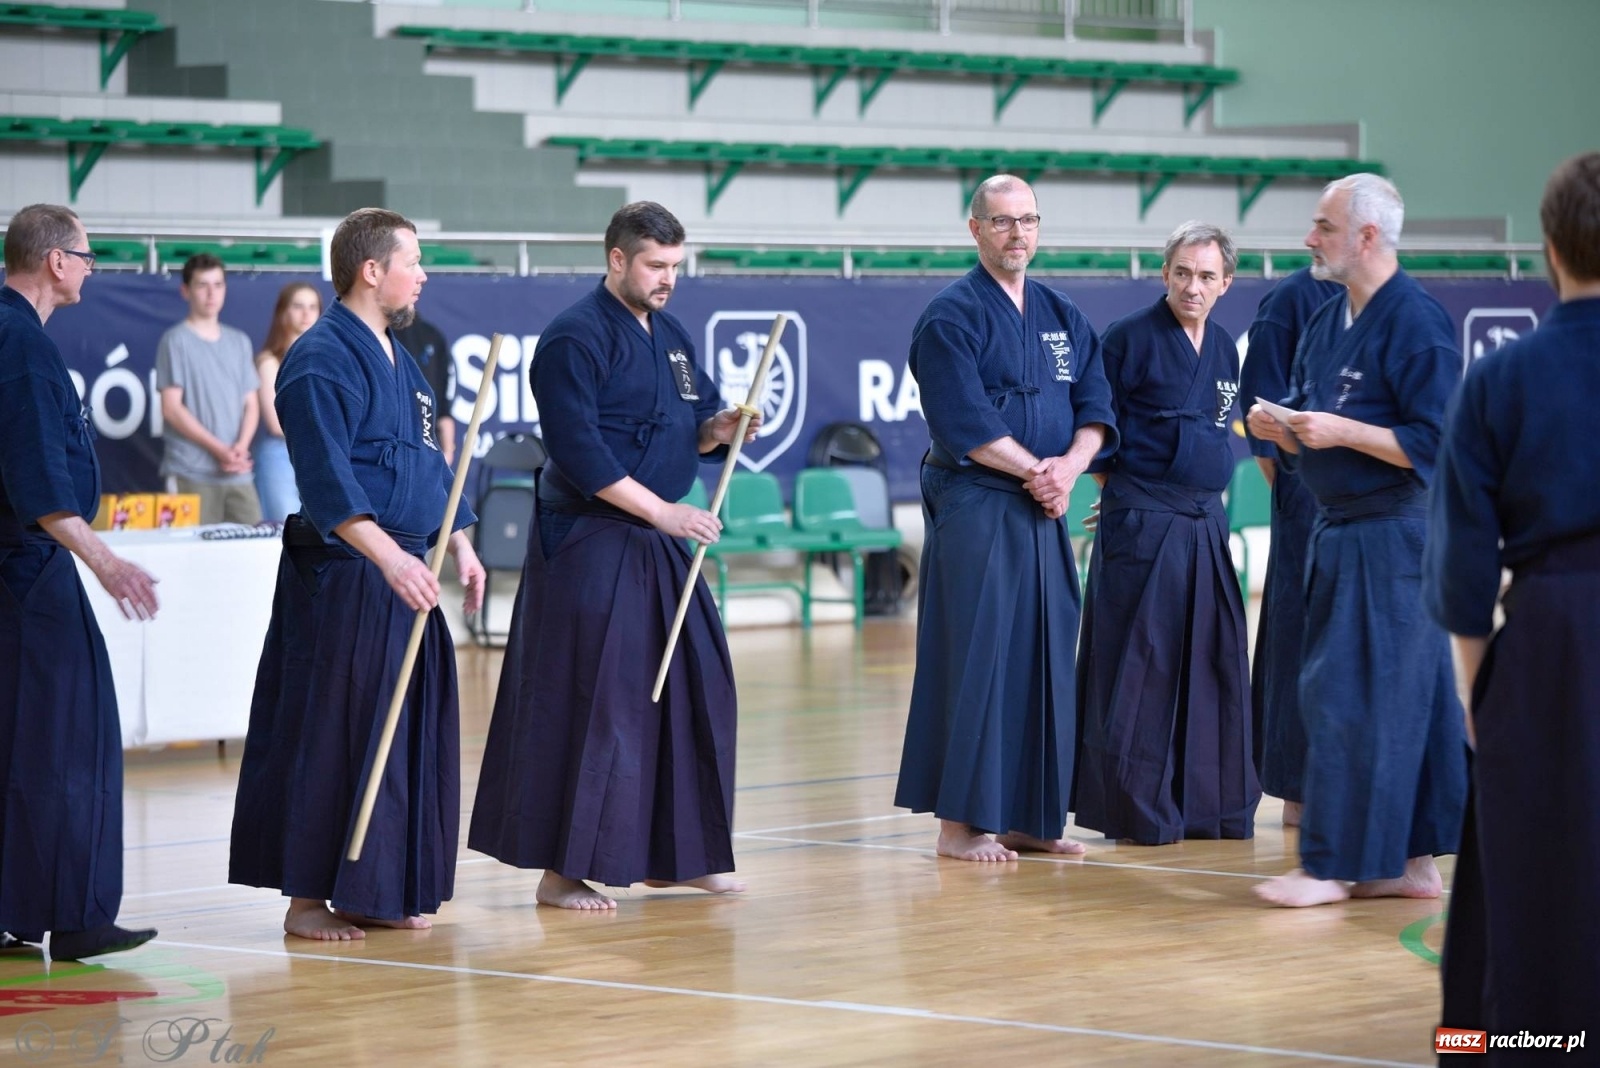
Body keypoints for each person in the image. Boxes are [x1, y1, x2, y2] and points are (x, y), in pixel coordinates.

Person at [469, 202, 756, 910]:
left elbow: (695, 426)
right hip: (591, 544)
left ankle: (681, 854)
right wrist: (664, 511)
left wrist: (724, 427)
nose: (667, 280)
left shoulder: (674, 336)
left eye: (675, 268)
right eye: (655, 266)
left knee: (698, 690)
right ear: (617, 259)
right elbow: (580, 452)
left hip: (660, 542)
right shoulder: (574, 339)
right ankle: (563, 870)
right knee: (599, 706)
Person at [228, 208, 485, 941]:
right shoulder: (319, 359)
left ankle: (374, 887)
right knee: (331, 733)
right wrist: (392, 556)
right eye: (415, 260)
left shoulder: (401, 359)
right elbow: (327, 481)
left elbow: (429, 466)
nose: (424, 274)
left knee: (398, 737)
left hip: (406, 569)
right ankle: (307, 900)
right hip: (348, 572)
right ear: (373, 270)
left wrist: (458, 543)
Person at [1247, 174, 1466, 907]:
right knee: (1417, 698)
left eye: (1323, 226)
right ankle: (1413, 862)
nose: (1310, 239)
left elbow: (1435, 440)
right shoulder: (1324, 319)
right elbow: (1315, 419)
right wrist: (1288, 430)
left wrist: (1340, 432)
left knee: (1344, 694)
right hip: (1336, 529)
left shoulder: (1417, 323)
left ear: (1367, 236)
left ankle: (1329, 864)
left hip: (1393, 535)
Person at [1425, 151, 1600, 1052]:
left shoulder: (1499, 378)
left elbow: (1461, 570)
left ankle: (1529, 1038)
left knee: (1533, 858)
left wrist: (1477, 698)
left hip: (1548, 642)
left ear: (1547, 251)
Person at [892, 174, 1117, 862]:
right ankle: (961, 825)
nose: (1017, 234)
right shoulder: (950, 316)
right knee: (978, 654)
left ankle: (1031, 816)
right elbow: (966, 422)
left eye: (1028, 221)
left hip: (1044, 501)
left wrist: (1070, 467)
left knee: (1047, 655)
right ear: (975, 229)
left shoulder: (1060, 312)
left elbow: (1098, 408)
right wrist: (1039, 473)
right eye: (1001, 222)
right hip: (978, 501)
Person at [0, 204, 159, 960]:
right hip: (29, 572)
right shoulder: (23, 349)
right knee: (72, 744)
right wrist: (107, 562)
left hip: (15, 574)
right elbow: (38, 485)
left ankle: (13, 910)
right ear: (56, 261)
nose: (92, 269)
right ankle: (77, 914)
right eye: (87, 257)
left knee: (15, 745)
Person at [1074, 221, 1260, 845]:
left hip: (1206, 522)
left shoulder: (1227, 347)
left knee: (1212, 664)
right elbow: (1097, 427)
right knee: (1140, 665)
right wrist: (1123, 500)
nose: (1193, 286)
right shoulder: (1127, 339)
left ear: (1226, 283)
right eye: (1182, 272)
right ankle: (1136, 809)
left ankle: (1207, 806)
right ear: (1165, 274)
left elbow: (1215, 429)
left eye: (1207, 276)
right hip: (1143, 523)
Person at [1236, 267, 1341, 826]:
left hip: (1371, 506)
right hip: (1308, 495)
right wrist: (1301, 493)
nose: (1312, 239)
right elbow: (1262, 421)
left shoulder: (1389, 305)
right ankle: (1297, 793)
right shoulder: (1293, 301)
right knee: (1297, 638)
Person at [156, 254, 262, 525]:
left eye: (218, 284)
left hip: (238, 472)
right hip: (190, 471)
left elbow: (251, 403)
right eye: (202, 285)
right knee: (193, 560)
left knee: (253, 556)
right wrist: (220, 450)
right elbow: (171, 408)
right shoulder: (175, 341)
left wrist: (239, 448)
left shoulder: (239, 341)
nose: (211, 293)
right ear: (185, 291)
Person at [253, 282, 322, 523]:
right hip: (280, 456)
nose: (306, 313)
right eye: (298, 306)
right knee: (283, 533)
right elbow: (275, 424)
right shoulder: (269, 361)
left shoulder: (325, 360)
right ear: (283, 312)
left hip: (319, 455)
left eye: (313, 307)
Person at [393, 314, 458, 466]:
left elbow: (443, 407)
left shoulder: (432, 336)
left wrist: (448, 451)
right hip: (390, 451)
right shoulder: (376, 336)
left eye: (420, 287)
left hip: (427, 450)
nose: (418, 289)